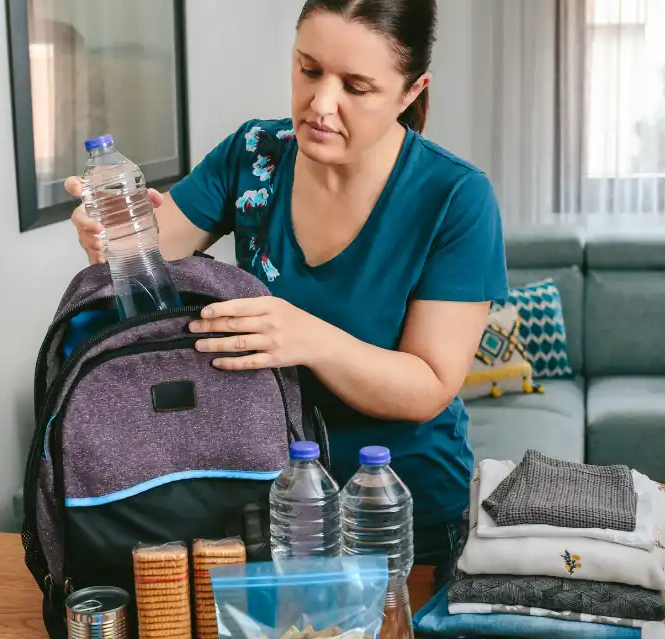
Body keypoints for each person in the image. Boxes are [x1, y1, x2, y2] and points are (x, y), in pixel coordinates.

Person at [64, 0, 507, 582]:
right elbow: (149, 255)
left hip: (400, 516)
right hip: (271, 509)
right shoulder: (254, 156)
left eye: (357, 86)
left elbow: (427, 385)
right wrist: (109, 238)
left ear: (410, 91)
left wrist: (308, 338)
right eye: (309, 70)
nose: (322, 105)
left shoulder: (454, 198)